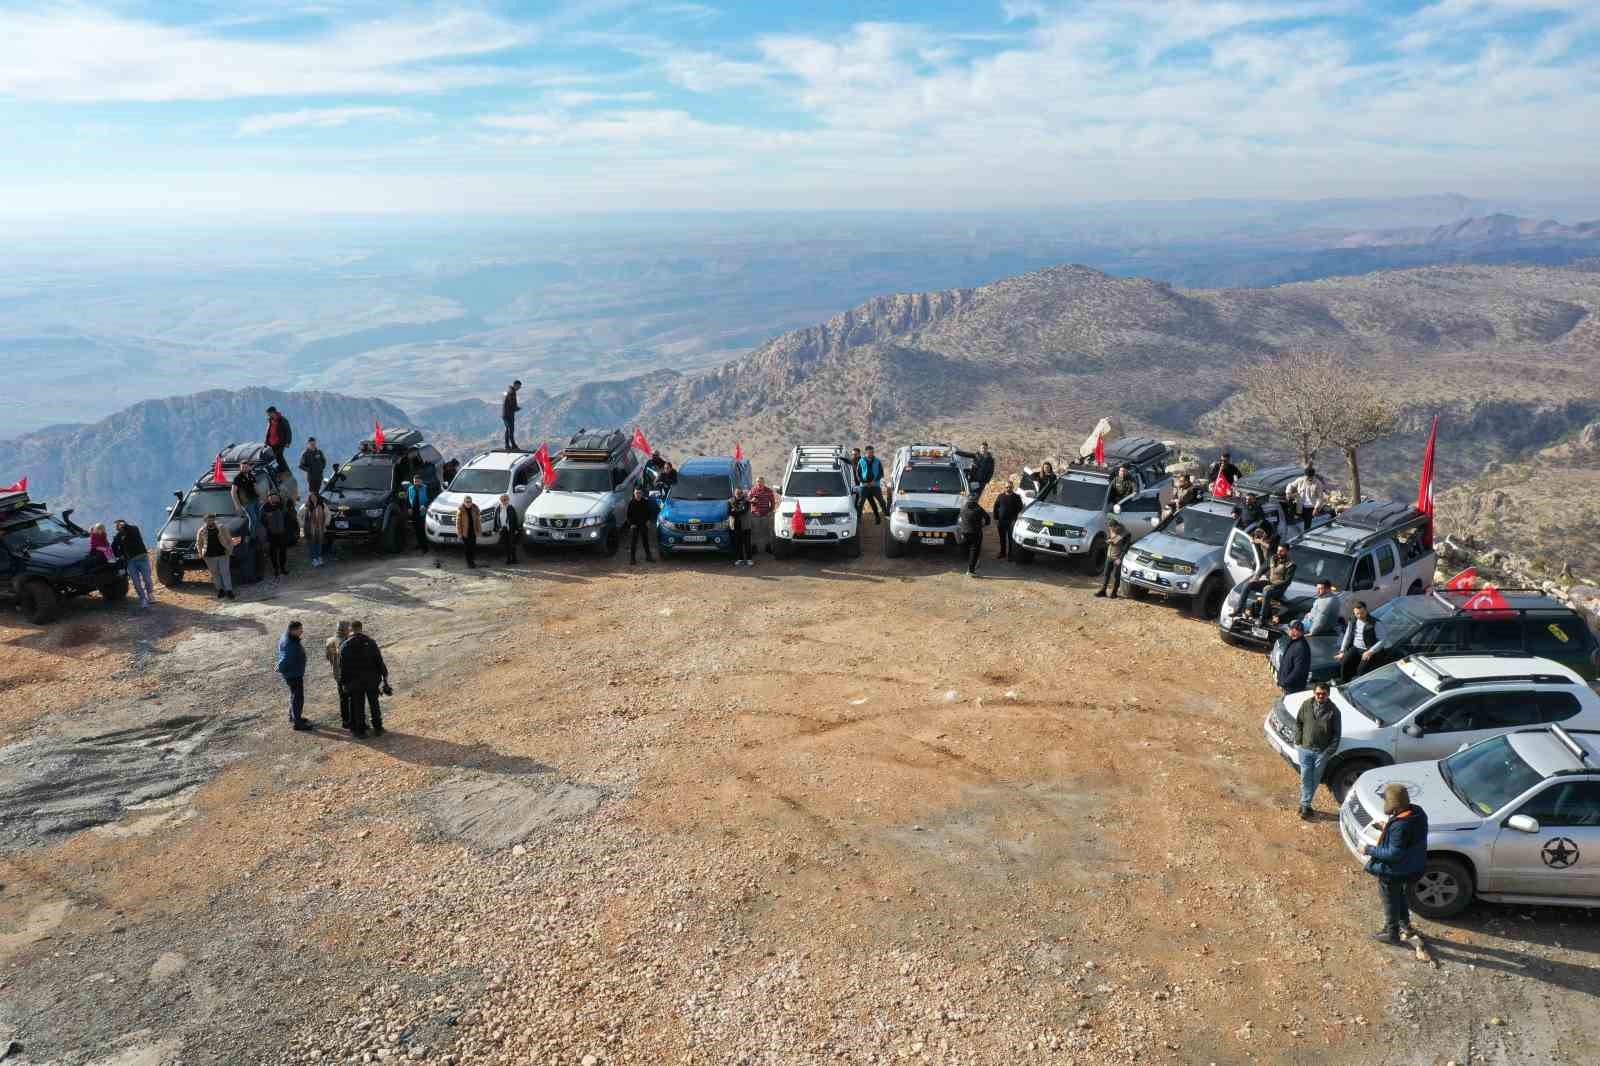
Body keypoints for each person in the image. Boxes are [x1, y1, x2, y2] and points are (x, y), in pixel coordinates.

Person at [1362, 783, 1428, 945]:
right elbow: (1408, 837)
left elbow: (1394, 853)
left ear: (1394, 805)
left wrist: (1369, 849)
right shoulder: (1417, 813)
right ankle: (1405, 926)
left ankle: (1392, 933)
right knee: (1399, 895)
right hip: (1412, 866)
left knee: (1390, 899)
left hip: (1395, 870)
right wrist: (1388, 827)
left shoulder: (1400, 826)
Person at [1294, 682, 1341, 819]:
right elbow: (1299, 723)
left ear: (1328, 694)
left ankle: (1305, 804)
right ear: (1314, 693)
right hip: (1305, 749)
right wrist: (1298, 740)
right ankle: (1305, 805)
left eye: (1323, 694)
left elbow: (1336, 733)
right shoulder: (1306, 705)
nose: (1320, 696)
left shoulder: (1334, 711)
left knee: (1314, 780)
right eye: (1318, 693)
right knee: (1305, 777)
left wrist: (1329, 751)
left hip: (1321, 752)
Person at [340, 620, 389, 739]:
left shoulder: (345, 645)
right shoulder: (371, 642)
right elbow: (379, 661)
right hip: (372, 679)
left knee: (358, 705)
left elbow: (343, 667)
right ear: (361, 628)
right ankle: (378, 728)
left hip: (355, 681)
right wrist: (385, 678)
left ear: (351, 630)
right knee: (374, 703)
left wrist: (344, 683)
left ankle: (360, 731)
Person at [112, 518, 154, 609]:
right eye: (117, 526)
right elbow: (114, 547)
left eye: (120, 525)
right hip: (131, 561)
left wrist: (124, 525)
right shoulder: (118, 536)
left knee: (147, 578)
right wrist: (120, 555)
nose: (118, 527)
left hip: (142, 558)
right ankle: (143, 599)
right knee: (136, 582)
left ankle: (150, 594)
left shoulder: (134, 529)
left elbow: (130, 528)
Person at [277, 620, 310, 731]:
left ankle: (294, 716)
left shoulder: (286, 637)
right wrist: (280, 667)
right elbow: (285, 659)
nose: (302, 631)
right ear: (293, 630)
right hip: (294, 674)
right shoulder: (290, 643)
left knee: (294, 695)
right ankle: (298, 723)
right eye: (300, 630)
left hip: (292, 673)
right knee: (298, 698)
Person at [1249, 544, 1296, 622]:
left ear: (1287, 552)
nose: (1279, 552)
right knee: (1248, 585)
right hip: (1269, 582)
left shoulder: (1291, 565)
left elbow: (1287, 581)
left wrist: (1272, 586)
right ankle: (1239, 610)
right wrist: (1256, 577)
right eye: (1278, 550)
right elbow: (1263, 568)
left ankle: (1262, 617)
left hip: (1279, 588)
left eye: (1281, 551)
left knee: (1266, 591)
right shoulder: (1273, 558)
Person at [1337, 600, 1381, 682]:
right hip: (1356, 648)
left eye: (1362, 613)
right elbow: (1347, 635)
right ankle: (1343, 682)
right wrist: (1342, 651)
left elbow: (1382, 640)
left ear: (1366, 610)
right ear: (1354, 612)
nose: (1360, 616)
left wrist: (1371, 651)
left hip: (1368, 650)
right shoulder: (1353, 620)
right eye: (1357, 613)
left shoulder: (1375, 623)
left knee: (1361, 672)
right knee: (1345, 663)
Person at [196, 514, 236, 600]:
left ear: (214, 519)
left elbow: (229, 540)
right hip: (209, 556)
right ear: (205, 521)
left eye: (212, 519)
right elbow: (199, 543)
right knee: (215, 573)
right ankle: (220, 590)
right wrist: (200, 553)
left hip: (223, 554)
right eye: (208, 520)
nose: (210, 521)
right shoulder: (201, 530)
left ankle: (229, 590)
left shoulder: (222, 528)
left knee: (225, 572)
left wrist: (230, 549)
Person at [1094, 517, 1132, 597]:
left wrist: (1120, 559)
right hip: (1109, 555)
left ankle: (1114, 592)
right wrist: (1108, 541)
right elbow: (1110, 538)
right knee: (1106, 573)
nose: (1111, 530)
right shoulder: (1112, 530)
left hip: (1118, 558)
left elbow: (1126, 548)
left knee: (1116, 575)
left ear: (1116, 526)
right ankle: (1103, 591)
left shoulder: (1126, 534)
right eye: (1110, 528)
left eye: (1111, 528)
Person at [1286, 465, 1330, 531]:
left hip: (1310, 507)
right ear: (1305, 475)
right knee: (1293, 516)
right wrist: (1288, 493)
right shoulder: (1300, 480)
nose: (1309, 478)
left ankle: (1305, 535)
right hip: (1300, 505)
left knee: (1307, 524)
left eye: (1311, 477)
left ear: (1313, 476)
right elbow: (1290, 485)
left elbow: (1320, 498)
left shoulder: (1318, 483)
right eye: (1308, 477)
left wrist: (1316, 508)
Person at [326, 620, 352, 729]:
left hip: (337, 674)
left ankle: (345, 721)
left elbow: (328, 657)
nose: (350, 631)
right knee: (352, 697)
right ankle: (353, 720)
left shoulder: (329, 641)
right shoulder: (346, 642)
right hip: (348, 674)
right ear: (344, 630)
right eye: (349, 629)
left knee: (343, 698)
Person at [959, 492, 991, 576]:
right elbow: (988, 519)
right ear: (976, 500)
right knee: (974, 550)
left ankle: (967, 562)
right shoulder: (979, 509)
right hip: (976, 533)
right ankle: (971, 570)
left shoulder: (963, 508)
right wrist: (983, 525)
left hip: (964, 532)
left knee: (966, 548)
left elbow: (960, 519)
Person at [260, 492, 292, 578]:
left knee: (283, 552)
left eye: (275, 497)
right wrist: (268, 526)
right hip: (271, 534)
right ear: (268, 498)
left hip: (282, 533)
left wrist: (286, 529)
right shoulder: (264, 508)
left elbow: (287, 517)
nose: (274, 499)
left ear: (278, 498)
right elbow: (261, 519)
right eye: (272, 497)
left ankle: (282, 568)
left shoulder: (282, 506)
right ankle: (275, 569)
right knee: (273, 553)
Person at [1276, 620, 1311, 695]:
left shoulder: (1301, 648)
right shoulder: (1293, 641)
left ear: (1296, 631)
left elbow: (1298, 670)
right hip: (1287, 685)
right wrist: (1280, 678)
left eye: (1290, 629)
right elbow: (1286, 661)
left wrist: (1285, 683)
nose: (1289, 631)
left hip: (1293, 689)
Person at [992, 479, 1022, 559]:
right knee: (1002, 538)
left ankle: (1010, 554)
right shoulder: (1000, 496)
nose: (1008, 488)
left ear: (1013, 487)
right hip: (1001, 521)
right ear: (1004, 488)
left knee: (1011, 539)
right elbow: (995, 507)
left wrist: (1015, 520)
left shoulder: (1017, 497)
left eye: (1010, 487)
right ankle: (1002, 553)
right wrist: (995, 518)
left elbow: (1020, 509)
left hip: (1011, 522)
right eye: (1007, 487)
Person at [625, 487, 656, 564]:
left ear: (642, 494)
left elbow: (649, 513)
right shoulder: (631, 502)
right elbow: (628, 515)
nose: (638, 495)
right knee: (633, 542)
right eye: (636, 493)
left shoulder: (645, 502)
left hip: (643, 523)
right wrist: (631, 524)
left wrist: (648, 521)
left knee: (645, 541)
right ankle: (632, 559)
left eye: (639, 493)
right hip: (634, 524)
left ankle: (648, 557)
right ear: (634, 494)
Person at [857, 446, 886, 524]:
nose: (871, 454)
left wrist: (875, 481)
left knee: (881, 501)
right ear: (866, 453)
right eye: (869, 452)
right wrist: (864, 482)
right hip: (864, 486)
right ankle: (858, 519)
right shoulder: (861, 461)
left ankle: (885, 516)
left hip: (875, 485)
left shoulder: (877, 461)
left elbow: (881, 473)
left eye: (872, 452)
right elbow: (858, 474)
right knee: (860, 503)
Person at [750, 476, 777, 556]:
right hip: (755, 515)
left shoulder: (768, 491)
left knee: (767, 532)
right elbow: (748, 499)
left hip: (765, 514)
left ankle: (768, 547)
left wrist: (770, 511)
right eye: (758, 481)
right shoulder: (753, 490)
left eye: (761, 481)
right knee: (754, 532)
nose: (759, 483)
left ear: (764, 482)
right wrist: (752, 500)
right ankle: (754, 547)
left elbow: (773, 502)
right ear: (756, 482)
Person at [232, 461, 261, 533]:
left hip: (255, 499)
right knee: (253, 518)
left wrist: (260, 497)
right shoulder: (237, 478)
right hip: (246, 502)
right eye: (242, 467)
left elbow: (255, 487)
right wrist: (237, 505)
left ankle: (257, 532)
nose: (244, 469)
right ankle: (251, 536)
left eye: (245, 467)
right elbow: (233, 492)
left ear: (249, 467)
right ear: (240, 468)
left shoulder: (251, 475)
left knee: (258, 516)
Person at [301, 491, 328, 568]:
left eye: (314, 497)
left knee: (319, 543)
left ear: (317, 497)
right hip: (311, 528)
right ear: (310, 498)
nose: (313, 498)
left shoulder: (322, 505)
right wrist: (303, 525)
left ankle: (319, 557)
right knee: (312, 543)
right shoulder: (306, 506)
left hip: (320, 527)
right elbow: (299, 515)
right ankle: (314, 558)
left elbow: (327, 515)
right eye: (311, 497)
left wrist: (326, 524)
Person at [406, 474, 430, 554]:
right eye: (415, 481)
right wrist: (409, 508)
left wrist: (425, 505)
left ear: (421, 481)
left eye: (418, 481)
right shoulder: (410, 489)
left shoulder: (426, 488)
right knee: (416, 529)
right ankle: (420, 544)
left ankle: (425, 547)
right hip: (414, 511)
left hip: (422, 511)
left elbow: (430, 499)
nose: (416, 483)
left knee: (422, 529)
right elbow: (407, 500)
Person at [493, 493, 521, 564]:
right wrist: (495, 528)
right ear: (500, 500)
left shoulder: (511, 508)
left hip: (510, 529)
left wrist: (516, 529)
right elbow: (496, 519)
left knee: (512, 544)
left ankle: (514, 559)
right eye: (502, 500)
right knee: (506, 545)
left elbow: (515, 519)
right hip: (503, 529)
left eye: (505, 500)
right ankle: (508, 559)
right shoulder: (498, 508)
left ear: (508, 500)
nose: (504, 501)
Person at [729, 487, 753, 566]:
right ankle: (740, 559)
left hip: (745, 526)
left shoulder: (746, 501)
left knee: (747, 543)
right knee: (738, 544)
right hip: (735, 526)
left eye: (740, 493)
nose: (738, 494)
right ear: (734, 493)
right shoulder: (730, 501)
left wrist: (735, 510)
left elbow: (744, 511)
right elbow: (729, 512)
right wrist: (736, 510)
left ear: (742, 493)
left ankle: (749, 559)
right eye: (737, 493)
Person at [456, 495, 482, 568]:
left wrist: (479, 531)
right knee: (467, 548)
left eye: (470, 502)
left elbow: (478, 521)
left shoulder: (475, 509)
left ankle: (472, 561)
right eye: (467, 502)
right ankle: (469, 563)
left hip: (473, 532)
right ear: (464, 502)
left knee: (473, 547)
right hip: (465, 533)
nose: (468, 503)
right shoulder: (461, 510)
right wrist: (459, 533)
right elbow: (458, 523)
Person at [502, 380, 522, 450]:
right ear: (515, 385)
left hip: (506, 414)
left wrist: (515, 408)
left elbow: (509, 403)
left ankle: (509, 445)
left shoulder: (509, 391)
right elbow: (511, 404)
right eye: (519, 386)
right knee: (510, 429)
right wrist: (517, 408)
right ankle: (511, 445)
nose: (519, 388)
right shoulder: (512, 392)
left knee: (508, 429)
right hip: (508, 415)